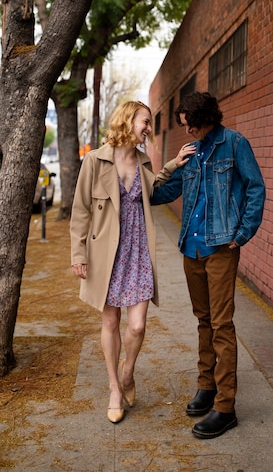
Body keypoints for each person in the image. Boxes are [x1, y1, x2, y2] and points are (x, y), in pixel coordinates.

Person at [70, 100, 195, 424]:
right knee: (110, 323)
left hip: (138, 250)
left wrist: (174, 164)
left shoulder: (142, 160)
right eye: (145, 122)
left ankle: (128, 374)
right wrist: (78, 255)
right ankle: (114, 388)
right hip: (105, 254)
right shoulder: (95, 161)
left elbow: (153, 190)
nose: (148, 129)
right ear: (128, 121)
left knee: (137, 326)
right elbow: (81, 210)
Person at [151, 91, 265, 439]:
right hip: (191, 248)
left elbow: (255, 189)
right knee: (203, 320)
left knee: (221, 324)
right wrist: (167, 167)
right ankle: (206, 386)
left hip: (220, 247)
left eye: (188, 125)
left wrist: (242, 233)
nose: (185, 131)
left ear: (204, 121)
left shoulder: (234, 144)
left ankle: (226, 407)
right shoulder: (192, 151)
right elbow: (161, 194)